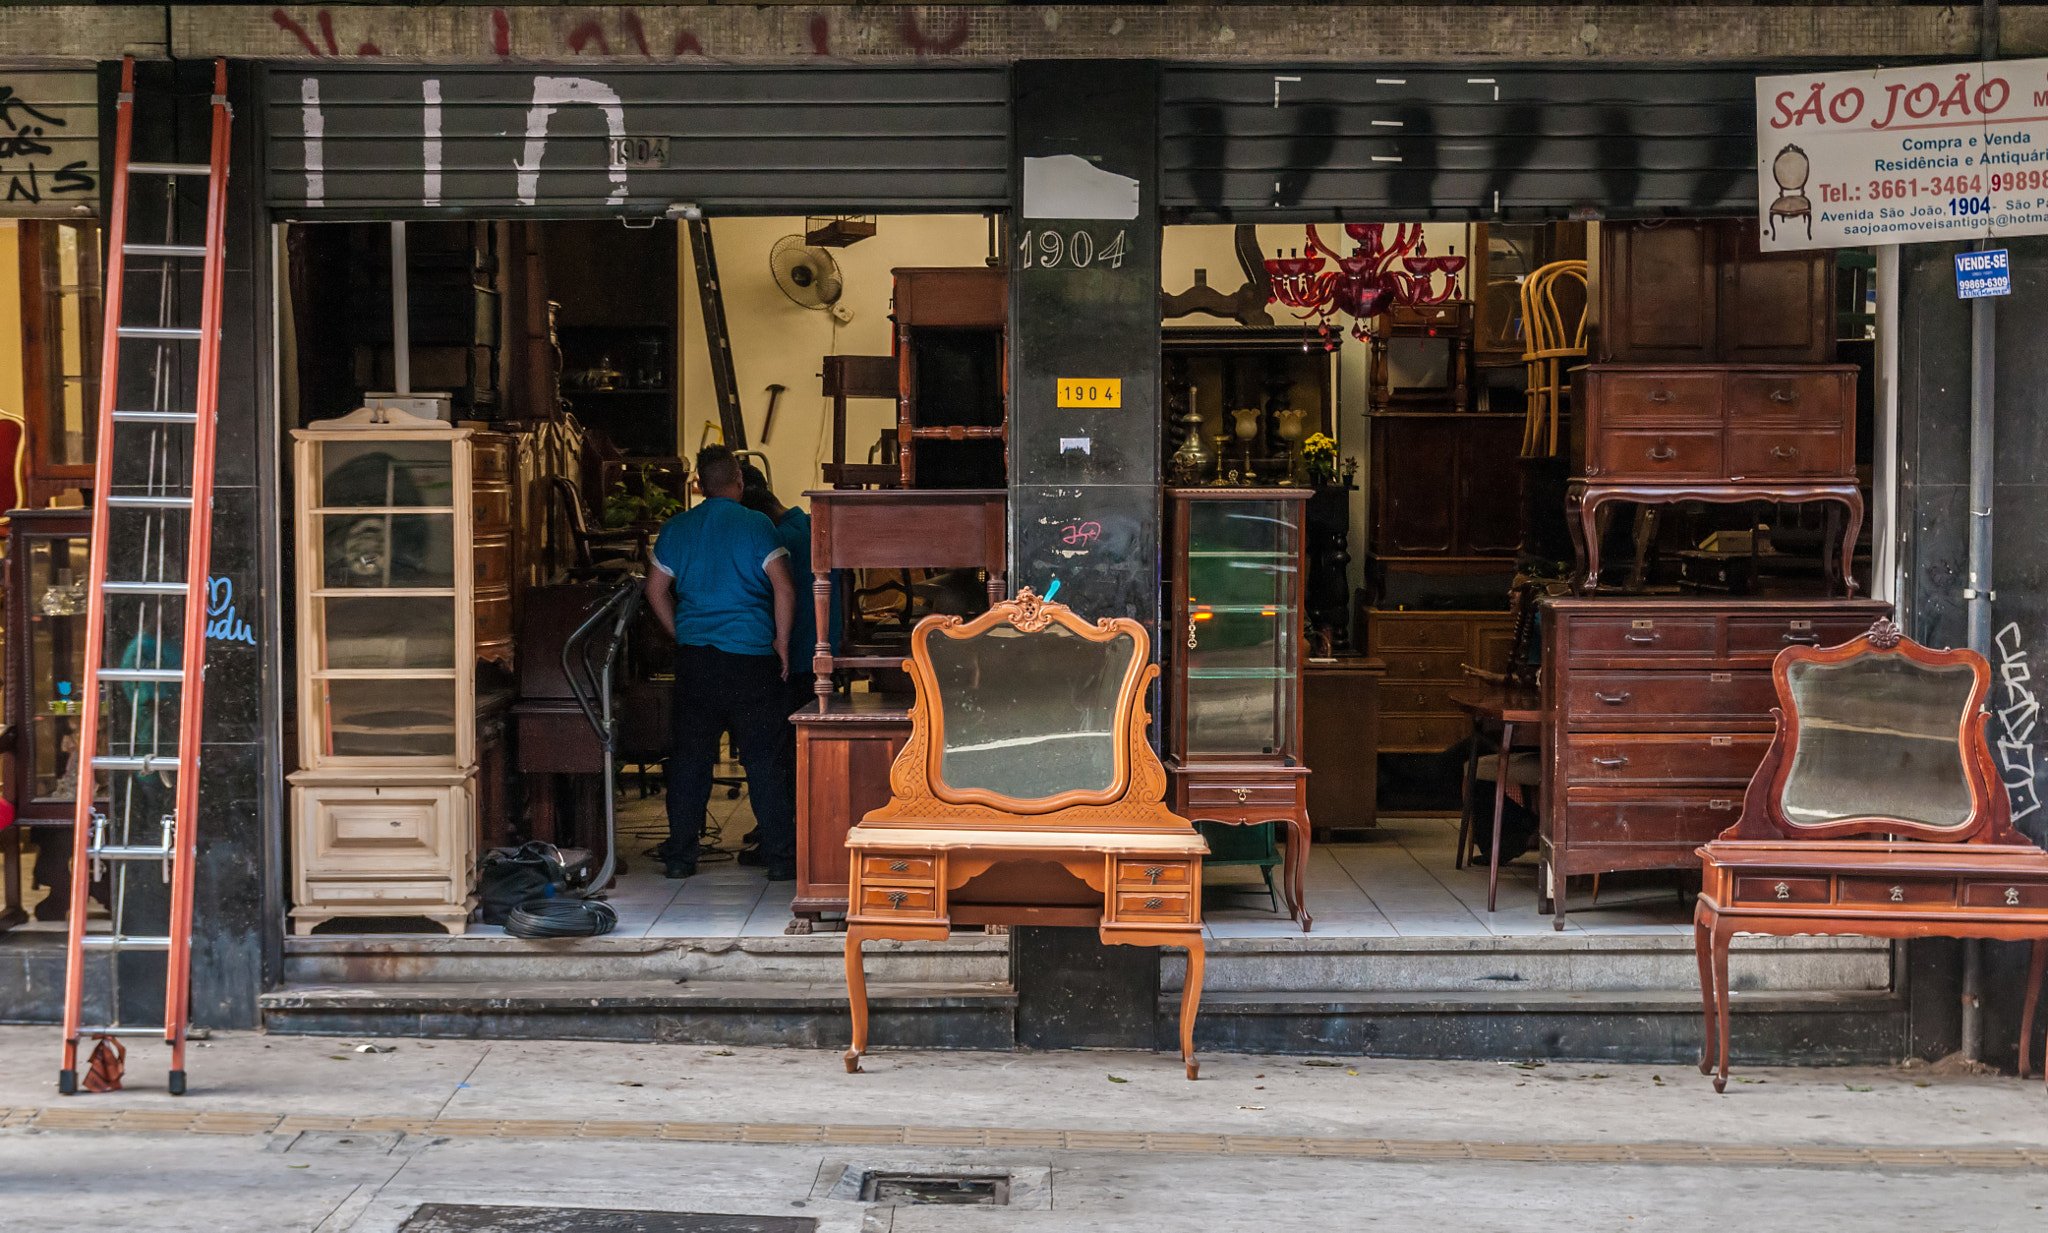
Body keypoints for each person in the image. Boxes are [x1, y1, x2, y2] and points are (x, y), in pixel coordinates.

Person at [644, 446, 799, 881]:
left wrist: (682, 634)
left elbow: (655, 591)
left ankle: (680, 857)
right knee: (763, 760)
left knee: (691, 759)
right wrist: (782, 643)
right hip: (752, 659)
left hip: (697, 661)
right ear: (739, 482)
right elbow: (784, 589)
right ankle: (782, 860)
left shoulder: (677, 528)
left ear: (698, 485)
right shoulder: (757, 525)